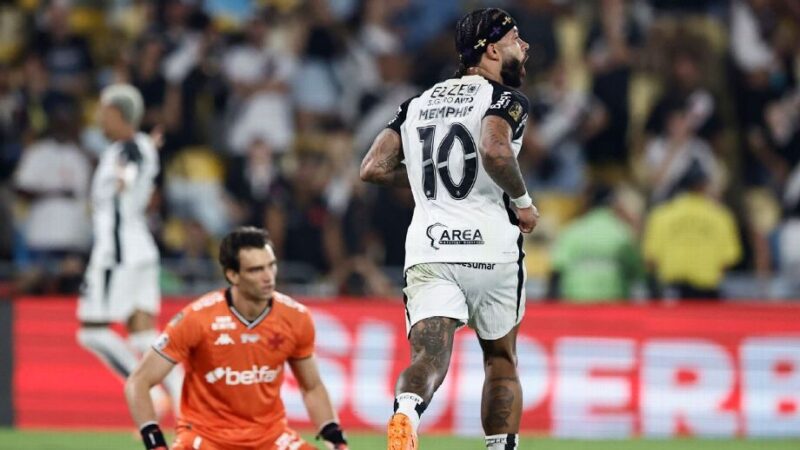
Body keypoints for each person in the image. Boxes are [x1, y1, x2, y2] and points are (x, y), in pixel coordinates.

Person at [360, 8, 538, 450]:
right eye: (517, 39)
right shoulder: (504, 100)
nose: (525, 46)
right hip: (491, 250)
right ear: (492, 49)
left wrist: (424, 175)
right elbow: (495, 150)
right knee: (500, 359)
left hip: (431, 248)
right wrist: (524, 203)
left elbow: (373, 168)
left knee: (428, 354)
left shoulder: (416, 104)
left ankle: (406, 411)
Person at [125, 227, 349, 450]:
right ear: (232, 275)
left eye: (271, 266)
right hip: (206, 439)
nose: (268, 277)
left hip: (271, 439)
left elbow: (312, 387)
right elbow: (139, 382)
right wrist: (154, 442)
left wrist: (335, 438)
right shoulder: (198, 318)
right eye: (255, 270)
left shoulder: (296, 317)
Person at [76, 84, 182, 413]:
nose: (99, 119)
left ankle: (146, 391)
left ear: (117, 115)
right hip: (141, 250)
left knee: (91, 331)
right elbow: (141, 154)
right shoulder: (139, 146)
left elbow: (131, 166)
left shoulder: (127, 150)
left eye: (104, 112)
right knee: (142, 334)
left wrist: (129, 178)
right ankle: (184, 399)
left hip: (116, 254)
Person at [642, 161, 741, 299]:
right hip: (707, 292)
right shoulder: (720, 216)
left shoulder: (661, 215)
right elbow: (729, 258)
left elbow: (651, 260)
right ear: (704, 186)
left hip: (672, 292)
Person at [547, 183, 643, 302]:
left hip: (576, 304)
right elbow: (637, 271)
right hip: (615, 304)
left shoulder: (572, 231)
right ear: (613, 204)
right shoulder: (623, 233)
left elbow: (556, 271)